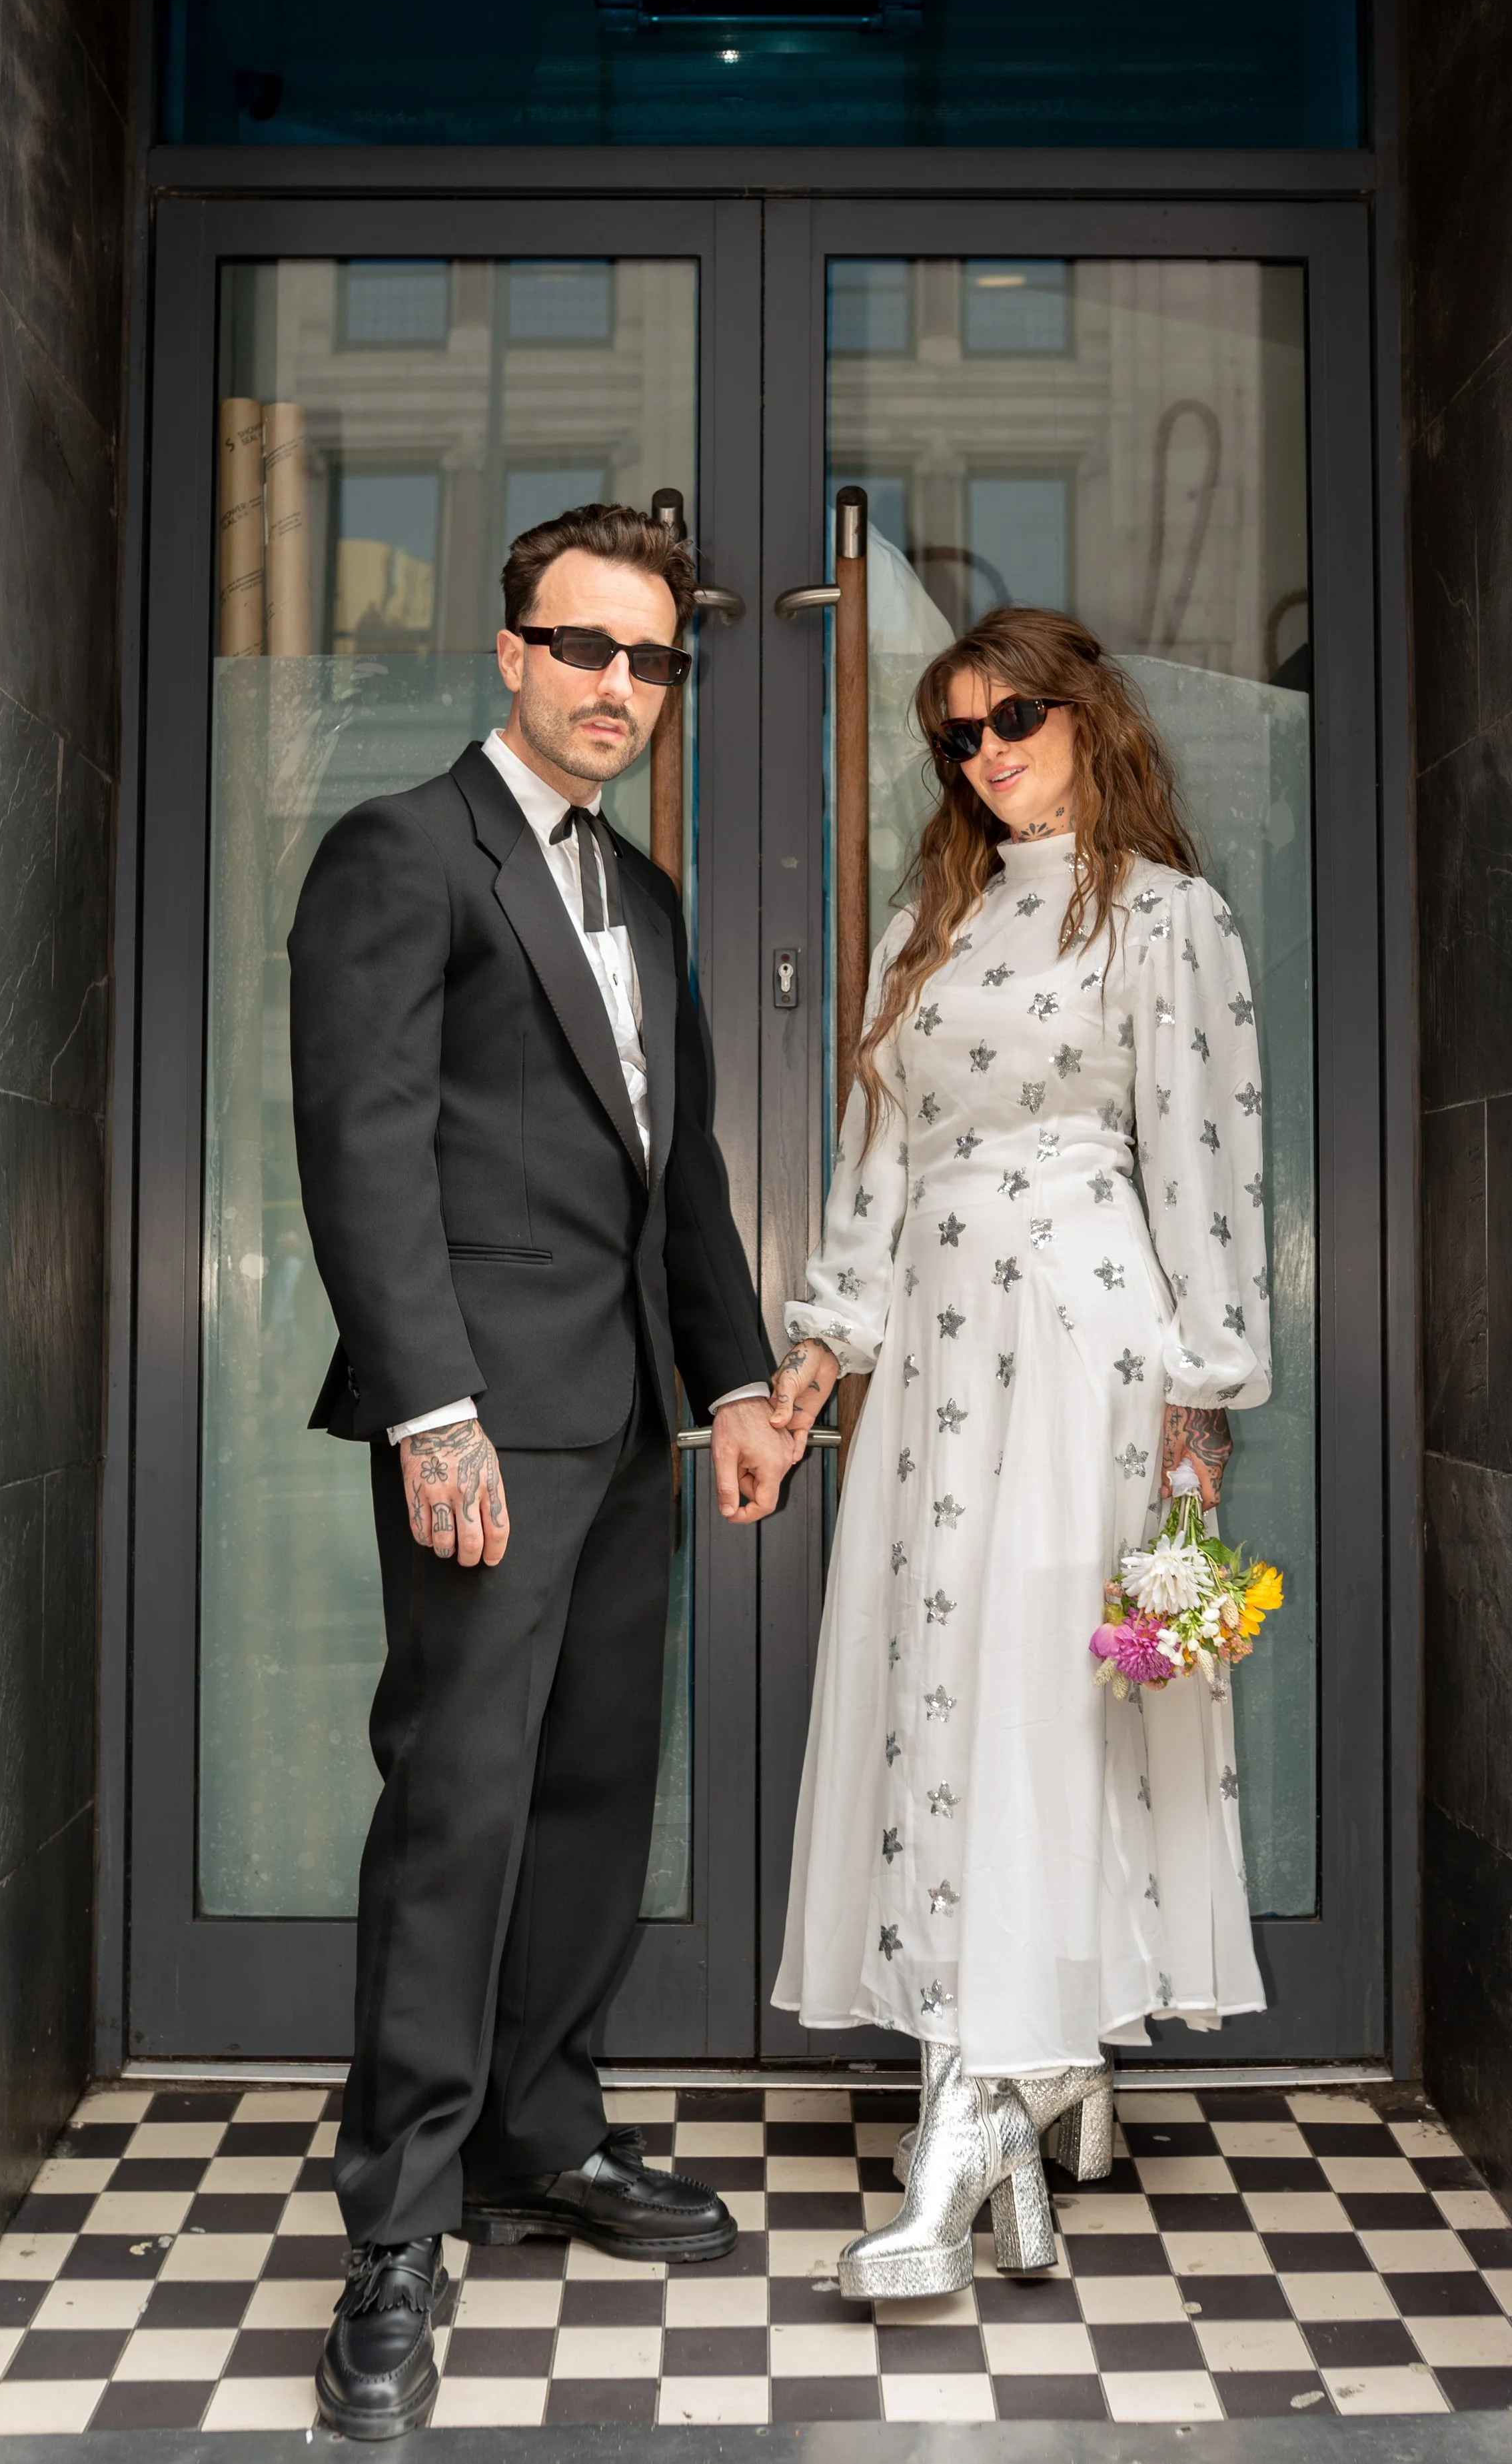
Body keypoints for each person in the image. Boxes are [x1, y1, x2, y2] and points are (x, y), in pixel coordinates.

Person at [289, 504, 792, 2438]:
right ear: (509, 650)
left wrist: (735, 1386)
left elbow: (684, 1186)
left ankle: (536, 2138)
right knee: (456, 1812)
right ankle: (395, 2233)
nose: (617, 689)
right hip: (482, 1430)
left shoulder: (646, 899)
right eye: (584, 648)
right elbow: (364, 1150)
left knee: (590, 1794)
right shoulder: (401, 853)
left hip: (630, 1419)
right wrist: (431, 1413)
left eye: (650, 661)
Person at [767, 607, 1271, 2301]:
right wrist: (817, 1359)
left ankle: (973, 2127)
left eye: (1014, 720)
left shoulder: (1167, 920)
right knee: (939, 1694)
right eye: (955, 737)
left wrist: (1196, 1423)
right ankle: (987, 2119)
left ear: (1087, 719)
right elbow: (875, 1161)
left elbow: (1204, 1168)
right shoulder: (933, 915)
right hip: (929, 1361)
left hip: (1080, 1343)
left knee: (1043, 1711)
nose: (984, 755)